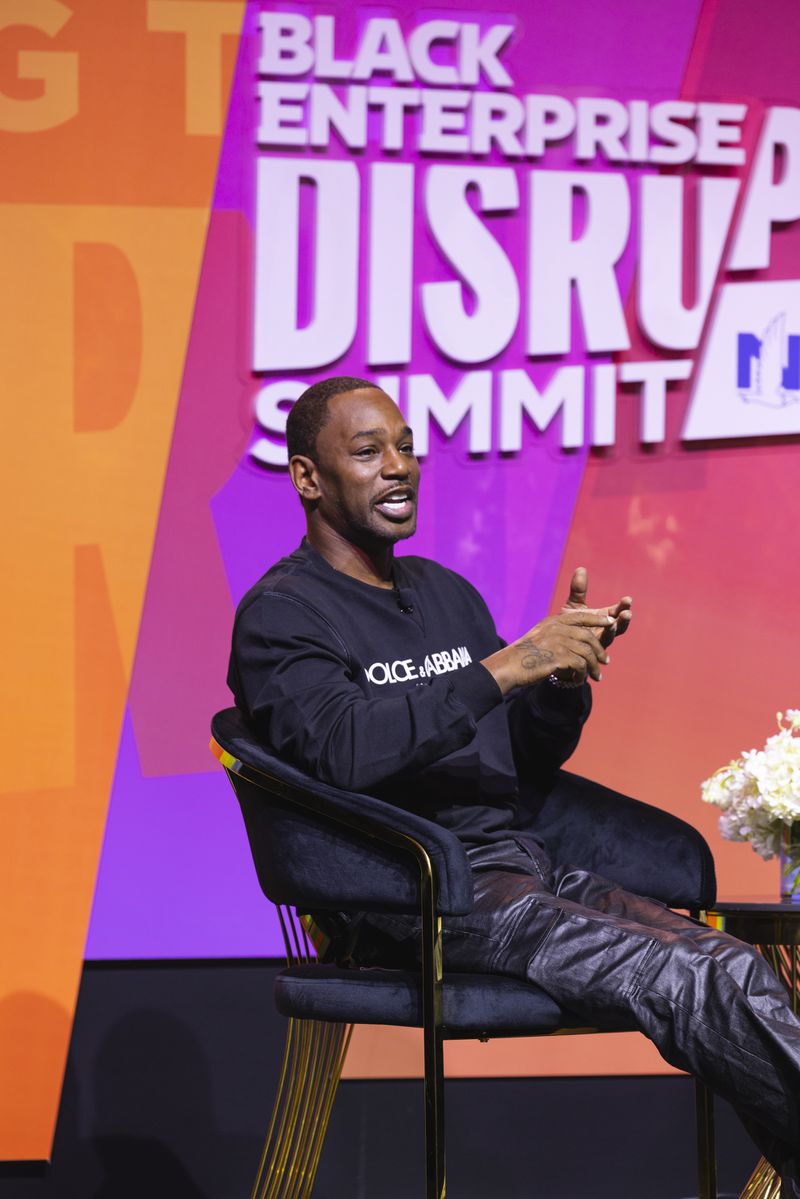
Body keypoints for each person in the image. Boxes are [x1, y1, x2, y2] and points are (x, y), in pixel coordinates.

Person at [228, 375, 800, 1194]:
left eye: (406, 446)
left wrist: (560, 680)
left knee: (736, 966)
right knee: (688, 977)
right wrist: (507, 665)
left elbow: (519, 758)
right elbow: (344, 752)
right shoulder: (282, 615)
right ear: (308, 478)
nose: (399, 466)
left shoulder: (443, 594)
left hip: (524, 868)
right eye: (367, 452)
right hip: (420, 896)